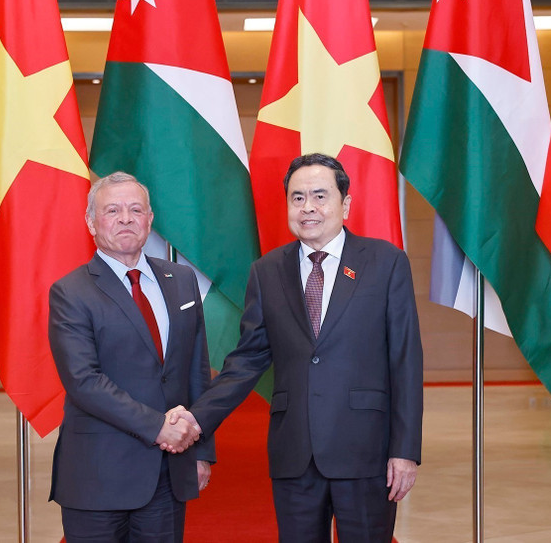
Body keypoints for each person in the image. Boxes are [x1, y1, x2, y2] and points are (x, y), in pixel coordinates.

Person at [173, 153, 423, 542]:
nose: (308, 207)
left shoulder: (386, 263)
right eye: (297, 197)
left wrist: (405, 450)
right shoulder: (267, 271)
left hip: (366, 451)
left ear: (346, 204)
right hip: (294, 454)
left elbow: (405, 362)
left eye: (320, 196)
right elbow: (247, 359)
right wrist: (196, 419)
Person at [48, 172, 214, 543]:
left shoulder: (182, 280)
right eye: (113, 210)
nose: (126, 218)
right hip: (98, 476)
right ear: (91, 222)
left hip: (168, 473)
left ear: (149, 219)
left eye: (135, 209)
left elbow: (195, 372)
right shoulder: (71, 292)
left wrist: (201, 451)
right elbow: (83, 381)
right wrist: (158, 426)